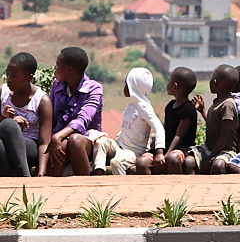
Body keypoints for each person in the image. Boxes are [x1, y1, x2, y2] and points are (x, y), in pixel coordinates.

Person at [90, 67, 164, 176]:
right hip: (119, 145)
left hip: (134, 152)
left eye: (126, 84)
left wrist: (159, 153)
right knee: (101, 142)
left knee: (116, 162)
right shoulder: (132, 104)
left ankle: (120, 186)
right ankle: (99, 173)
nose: (124, 87)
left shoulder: (144, 107)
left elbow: (159, 128)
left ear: (133, 87)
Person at [47, 46, 103, 176]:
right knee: (59, 147)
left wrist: (57, 137)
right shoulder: (57, 85)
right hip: (60, 139)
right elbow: (51, 117)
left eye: (57, 65)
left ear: (70, 70)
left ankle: (84, 186)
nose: (55, 68)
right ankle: (52, 188)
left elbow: (82, 120)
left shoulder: (94, 89)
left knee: (75, 140)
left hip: (87, 139)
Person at [136, 67, 200, 175]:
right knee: (141, 163)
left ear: (175, 86)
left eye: (169, 80)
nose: (167, 83)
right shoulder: (170, 106)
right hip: (166, 147)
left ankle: (176, 187)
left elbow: (178, 136)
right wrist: (158, 149)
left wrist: (165, 155)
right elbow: (165, 131)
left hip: (181, 148)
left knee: (172, 159)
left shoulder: (188, 109)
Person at [0, 52, 52, 176]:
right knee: (6, 130)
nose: (9, 80)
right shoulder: (3, 92)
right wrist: (3, 116)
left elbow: (44, 142)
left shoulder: (42, 100)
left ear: (29, 78)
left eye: (14, 76)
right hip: (3, 144)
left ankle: (25, 177)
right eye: (8, 74)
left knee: (9, 125)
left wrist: (41, 173)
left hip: (28, 146)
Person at [183, 65, 238, 174]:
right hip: (209, 148)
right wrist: (202, 111)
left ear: (215, 83)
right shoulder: (218, 102)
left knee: (218, 165)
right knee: (188, 162)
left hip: (224, 150)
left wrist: (212, 156)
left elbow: (225, 136)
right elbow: (213, 125)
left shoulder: (228, 104)